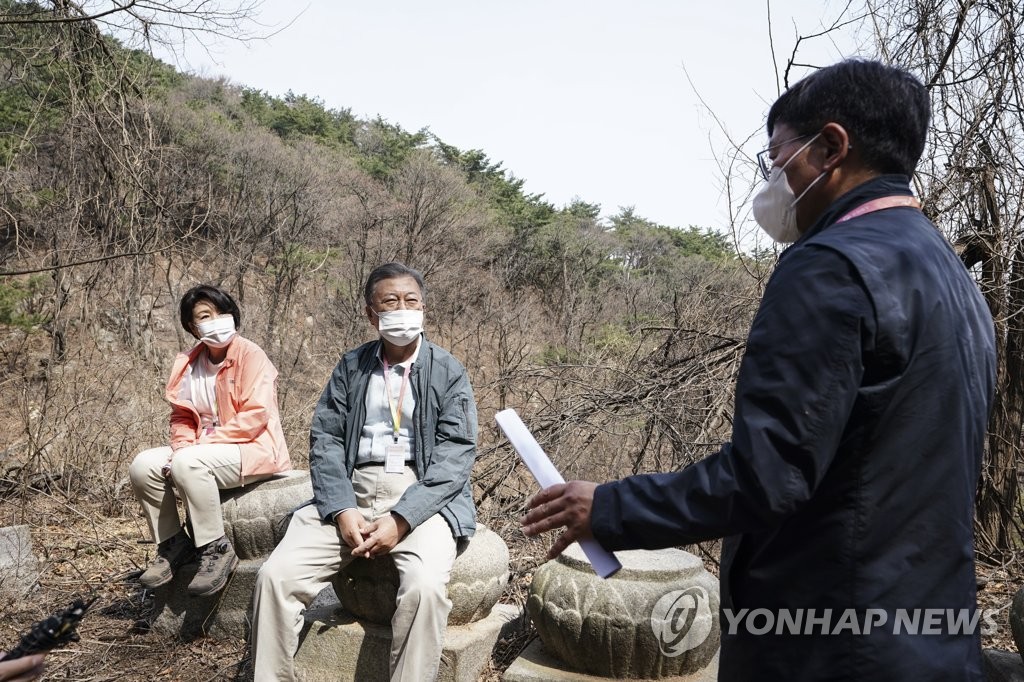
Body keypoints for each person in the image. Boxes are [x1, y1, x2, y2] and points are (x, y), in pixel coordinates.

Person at [522, 59, 996, 681]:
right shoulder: (950, 276)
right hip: (929, 633)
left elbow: (769, 476)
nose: (773, 177)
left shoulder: (829, 267)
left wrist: (610, 508)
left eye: (777, 157)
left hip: (828, 639)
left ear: (830, 147)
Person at [251, 262, 478, 682]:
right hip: (352, 489)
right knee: (275, 577)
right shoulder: (351, 367)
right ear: (371, 314)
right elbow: (326, 439)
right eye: (390, 302)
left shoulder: (447, 371)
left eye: (411, 301)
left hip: (419, 493)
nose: (402, 310)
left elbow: (457, 454)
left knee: (426, 590)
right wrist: (340, 508)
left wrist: (402, 518)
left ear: (424, 309)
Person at [129, 285, 291, 597]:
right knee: (143, 465)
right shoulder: (188, 363)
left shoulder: (251, 355)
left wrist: (199, 448)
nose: (216, 321)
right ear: (192, 326)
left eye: (221, 313)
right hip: (201, 451)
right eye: (205, 316)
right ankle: (174, 544)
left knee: (188, 462)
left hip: (252, 448)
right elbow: (181, 417)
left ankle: (215, 549)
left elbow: (256, 415)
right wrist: (182, 447)